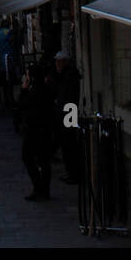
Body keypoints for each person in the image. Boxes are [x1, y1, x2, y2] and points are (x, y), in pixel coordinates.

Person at [18, 65, 57, 201]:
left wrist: (23, 90)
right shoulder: (47, 90)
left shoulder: (34, 92)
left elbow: (22, 105)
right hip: (45, 130)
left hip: (34, 130)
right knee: (44, 161)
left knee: (28, 157)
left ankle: (38, 187)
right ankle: (44, 190)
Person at [50, 50, 82, 184]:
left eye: (59, 61)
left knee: (69, 144)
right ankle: (71, 172)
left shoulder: (69, 76)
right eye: (56, 61)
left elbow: (68, 97)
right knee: (67, 144)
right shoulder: (64, 75)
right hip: (67, 112)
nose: (57, 64)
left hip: (69, 112)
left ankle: (73, 173)